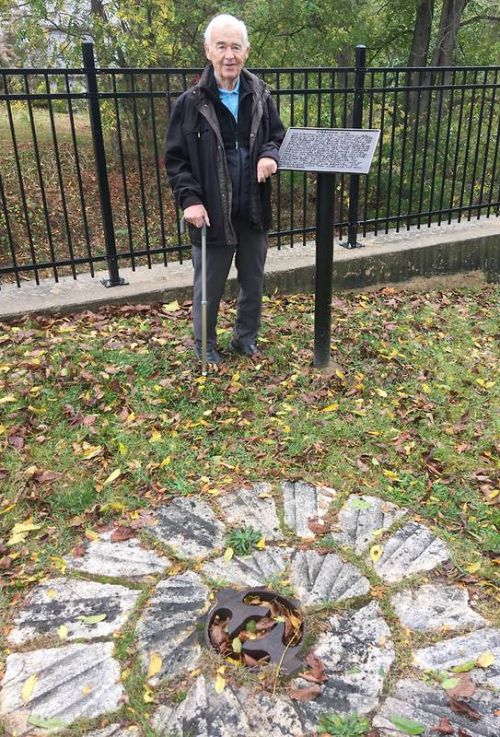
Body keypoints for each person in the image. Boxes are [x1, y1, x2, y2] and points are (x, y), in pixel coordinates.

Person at [165, 13, 285, 364]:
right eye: (221, 46)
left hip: (252, 208)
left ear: (246, 51)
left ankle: (244, 339)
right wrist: (190, 200)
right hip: (211, 214)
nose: (229, 54)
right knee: (209, 288)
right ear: (208, 51)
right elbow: (176, 160)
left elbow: (276, 136)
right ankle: (205, 346)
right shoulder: (190, 103)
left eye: (235, 46)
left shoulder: (260, 94)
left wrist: (269, 155)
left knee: (253, 281)